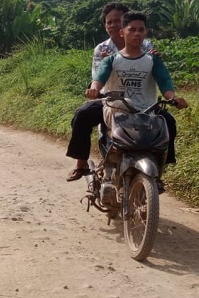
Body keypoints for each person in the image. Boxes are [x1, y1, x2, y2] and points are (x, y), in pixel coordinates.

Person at [65, 11, 187, 182]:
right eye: (132, 30)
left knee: (169, 122)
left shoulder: (153, 59)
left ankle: (161, 167)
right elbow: (99, 78)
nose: (137, 34)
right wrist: (94, 89)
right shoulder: (109, 57)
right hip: (115, 106)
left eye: (141, 30)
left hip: (146, 108)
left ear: (146, 32)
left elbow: (165, 82)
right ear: (123, 32)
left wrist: (173, 97)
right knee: (82, 114)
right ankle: (81, 164)